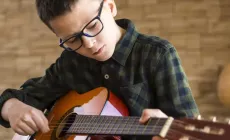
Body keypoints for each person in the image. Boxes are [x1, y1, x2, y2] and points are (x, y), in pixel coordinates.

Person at [0, 0, 200, 139]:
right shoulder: (71, 63)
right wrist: (12, 108)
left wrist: (171, 133)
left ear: (110, 7)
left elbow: (190, 131)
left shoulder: (158, 55)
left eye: (93, 26)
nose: (88, 44)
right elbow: (22, 97)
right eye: (73, 39)